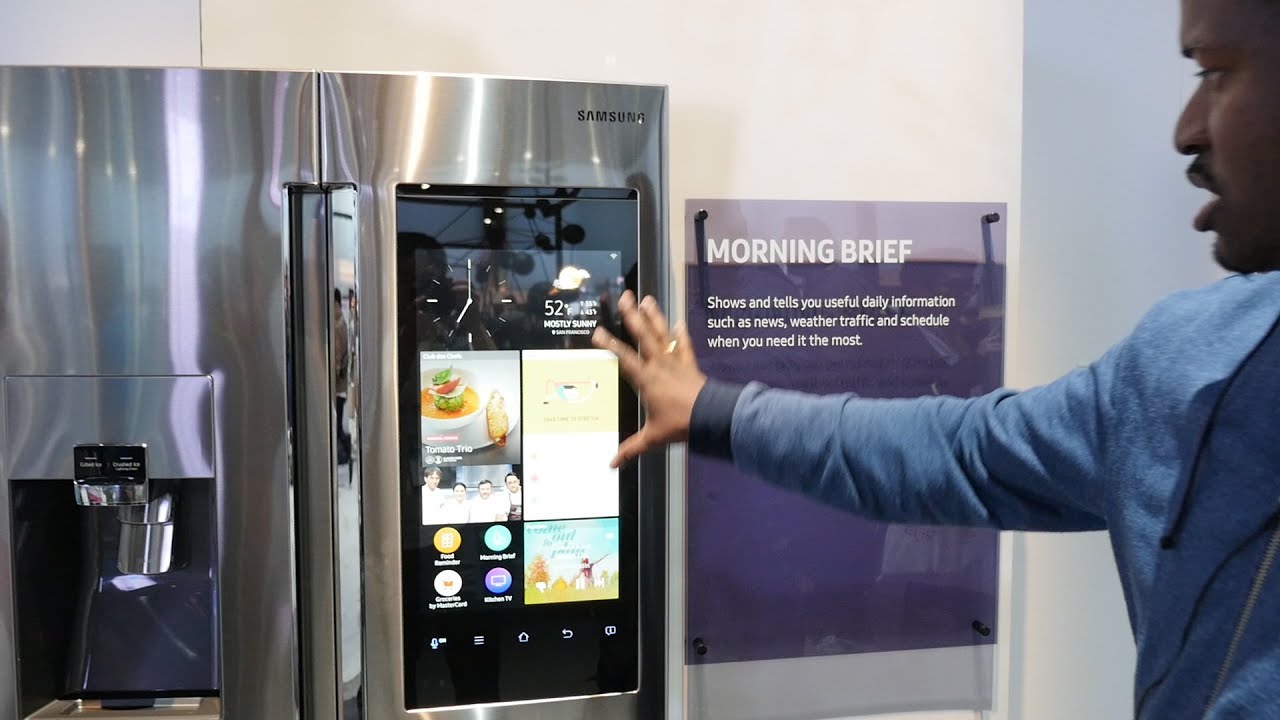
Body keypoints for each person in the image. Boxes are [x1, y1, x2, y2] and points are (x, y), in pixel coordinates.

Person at [591, 2, 1280, 716]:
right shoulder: (1189, 360)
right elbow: (960, 451)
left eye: (1217, 72)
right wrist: (712, 411)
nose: (1186, 130)